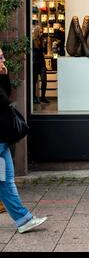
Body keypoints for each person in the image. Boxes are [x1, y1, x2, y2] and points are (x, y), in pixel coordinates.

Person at [0, 48, 47, 233]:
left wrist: (3, 75)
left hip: (2, 139)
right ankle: (23, 218)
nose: (3, 59)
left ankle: (23, 219)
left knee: (7, 180)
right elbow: (3, 101)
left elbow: (6, 93)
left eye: (3, 56)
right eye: (0, 57)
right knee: (5, 181)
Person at [32, 25, 49, 104]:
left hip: (42, 63)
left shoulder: (43, 40)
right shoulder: (32, 41)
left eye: (42, 32)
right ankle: (34, 97)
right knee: (34, 81)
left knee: (44, 80)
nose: (42, 33)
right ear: (37, 32)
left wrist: (45, 44)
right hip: (35, 63)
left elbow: (45, 52)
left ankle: (43, 97)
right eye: (40, 32)